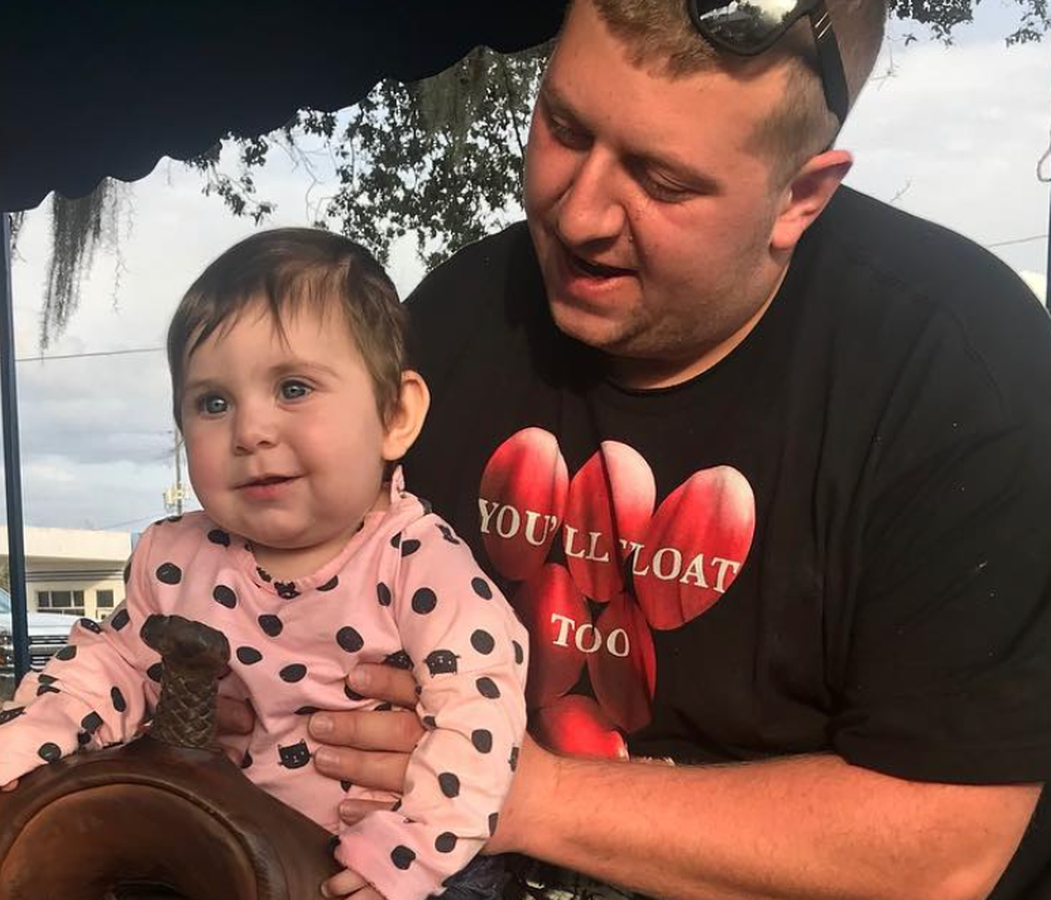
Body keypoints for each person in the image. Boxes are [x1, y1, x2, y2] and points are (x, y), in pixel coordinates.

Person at [233, 1, 1051, 899]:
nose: (579, 214)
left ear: (800, 199)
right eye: (564, 127)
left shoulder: (963, 373)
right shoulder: (460, 318)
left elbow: (939, 854)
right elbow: (321, 583)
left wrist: (524, 797)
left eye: (661, 182)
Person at [0, 228, 529, 900]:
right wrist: (39, 730)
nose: (250, 431)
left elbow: (478, 714)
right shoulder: (175, 557)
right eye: (213, 403)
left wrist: (411, 853)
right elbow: (115, 663)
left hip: (400, 857)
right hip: (228, 838)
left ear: (395, 415)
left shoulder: (419, 563)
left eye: (294, 388)